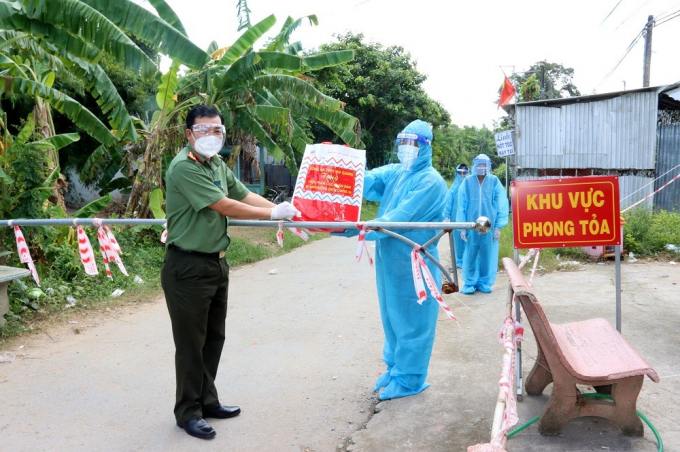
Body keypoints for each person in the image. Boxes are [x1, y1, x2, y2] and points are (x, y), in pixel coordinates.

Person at [162, 105, 300, 440]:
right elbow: (223, 205)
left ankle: (207, 401)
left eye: (217, 130)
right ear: (189, 134)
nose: (211, 136)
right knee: (191, 344)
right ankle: (188, 412)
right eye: (204, 129)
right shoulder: (184, 167)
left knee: (213, 338)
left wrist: (285, 211)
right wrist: (270, 217)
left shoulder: (217, 164)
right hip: (187, 266)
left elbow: (242, 193)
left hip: (215, 263)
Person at [335, 119, 448, 400]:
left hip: (414, 264)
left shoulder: (431, 182)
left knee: (413, 321)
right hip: (391, 263)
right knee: (391, 317)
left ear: (427, 147)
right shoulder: (398, 172)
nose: (406, 148)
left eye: (414, 143)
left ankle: (410, 379)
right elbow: (369, 180)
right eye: (403, 142)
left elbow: (396, 220)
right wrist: (342, 167)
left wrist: (353, 227)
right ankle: (395, 368)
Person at [456, 154, 509, 295]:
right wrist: (462, 227)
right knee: (470, 252)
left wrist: (498, 226)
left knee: (488, 252)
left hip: (489, 225)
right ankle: (469, 282)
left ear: (489, 166)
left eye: (484, 165)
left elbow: (501, 203)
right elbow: (461, 205)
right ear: (474, 166)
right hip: (471, 225)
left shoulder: (494, 181)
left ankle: (484, 282)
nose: (481, 167)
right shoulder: (467, 182)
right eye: (479, 164)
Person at [443, 163, 469, 269]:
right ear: (456, 172)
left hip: (468, 217)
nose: (462, 174)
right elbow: (448, 202)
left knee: (468, 238)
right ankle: (459, 260)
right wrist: (446, 216)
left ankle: (468, 260)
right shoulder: (454, 187)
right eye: (460, 172)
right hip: (455, 218)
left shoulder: (470, 186)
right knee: (457, 241)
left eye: (465, 172)